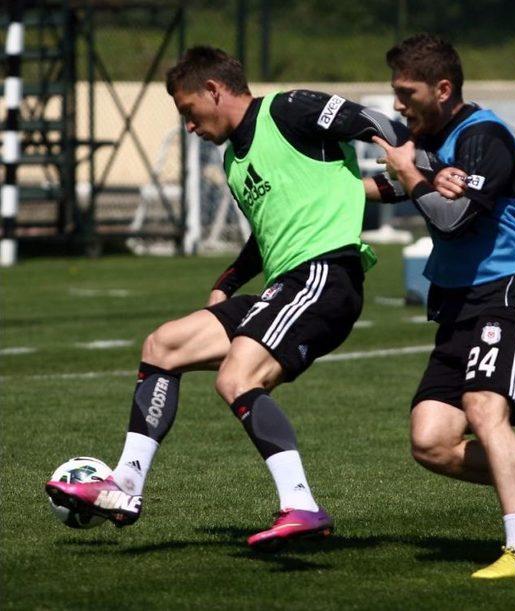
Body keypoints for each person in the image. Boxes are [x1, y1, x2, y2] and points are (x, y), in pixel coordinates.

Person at [45, 46, 456, 551]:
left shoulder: (288, 110)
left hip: (325, 277)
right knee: (163, 345)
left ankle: (301, 505)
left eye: (188, 111)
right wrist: (229, 281)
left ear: (214, 91)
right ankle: (126, 486)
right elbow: (267, 234)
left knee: (236, 377)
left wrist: (420, 163)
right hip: (284, 284)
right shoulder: (234, 162)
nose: (189, 126)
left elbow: (369, 119)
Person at [365, 34, 515, 578]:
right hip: (458, 304)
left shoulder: (483, 136)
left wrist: (411, 173)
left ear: (442, 89)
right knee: (430, 442)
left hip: (509, 294)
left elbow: (455, 219)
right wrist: (318, 191)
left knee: (484, 411)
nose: (398, 104)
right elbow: (394, 188)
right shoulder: (432, 138)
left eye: (407, 92)